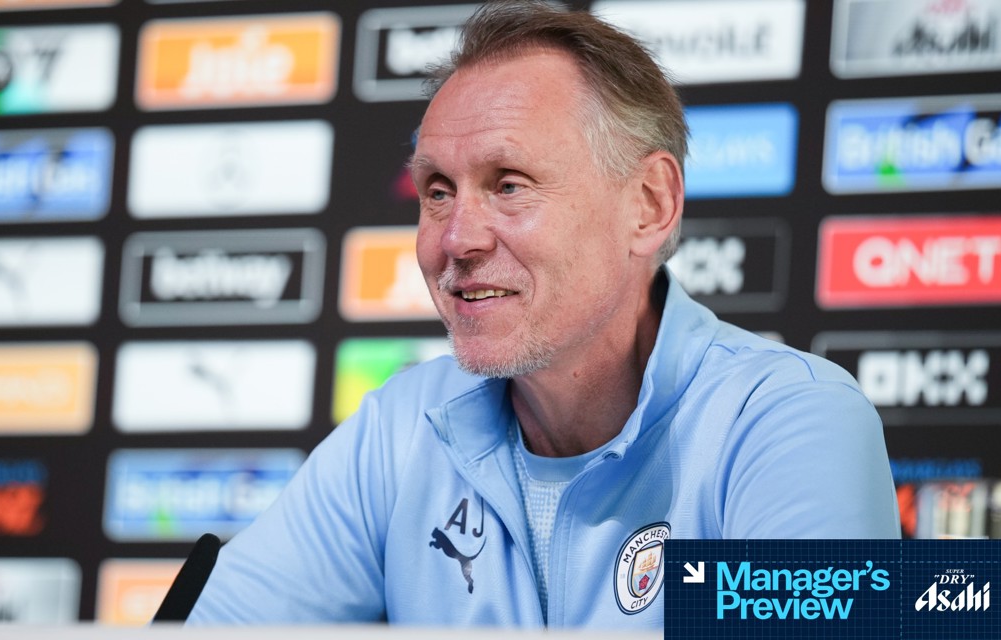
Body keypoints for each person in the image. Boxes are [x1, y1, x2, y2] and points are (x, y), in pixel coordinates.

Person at [187, 0, 899, 629]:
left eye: (508, 185)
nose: (456, 239)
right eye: (437, 191)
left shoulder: (783, 420)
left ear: (649, 204)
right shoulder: (401, 431)